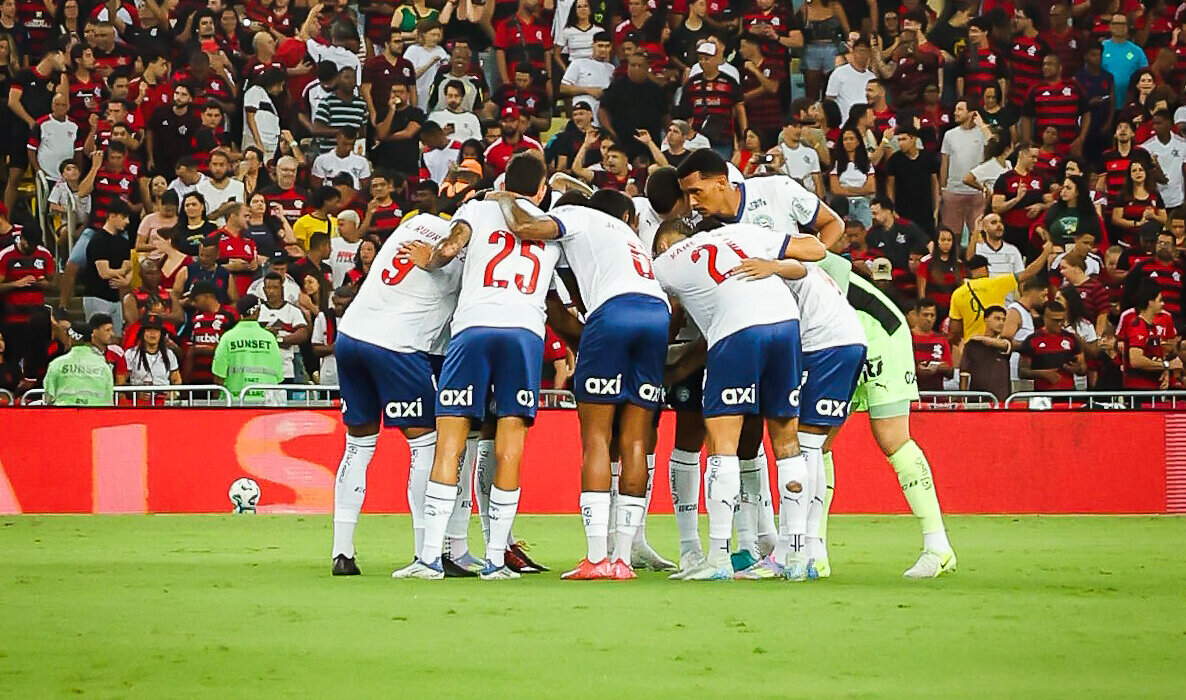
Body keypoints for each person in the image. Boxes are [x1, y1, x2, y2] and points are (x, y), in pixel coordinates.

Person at [396, 154, 562, 581]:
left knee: (450, 443)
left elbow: (449, 249)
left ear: (503, 183)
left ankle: (429, 558)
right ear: (541, 189)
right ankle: (496, 560)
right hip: (524, 333)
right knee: (510, 447)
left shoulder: (476, 209)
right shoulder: (552, 224)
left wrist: (428, 259)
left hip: (473, 329)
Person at [493, 190, 670, 581]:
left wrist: (504, 198)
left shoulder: (574, 215)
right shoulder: (621, 233)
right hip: (656, 312)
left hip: (614, 312)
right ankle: (622, 559)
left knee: (596, 439)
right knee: (635, 440)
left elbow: (524, 225)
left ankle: (596, 557)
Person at [652, 219, 810, 581]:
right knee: (787, 442)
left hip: (736, 329)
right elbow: (811, 254)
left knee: (722, 445)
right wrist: (773, 266)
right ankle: (797, 556)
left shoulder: (669, 260)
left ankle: (718, 558)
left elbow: (636, 290)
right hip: (787, 323)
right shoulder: (743, 232)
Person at [949, 246, 1053, 344]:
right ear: (984, 269)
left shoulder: (958, 293)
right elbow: (1028, 273)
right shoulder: (997, 283)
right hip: (995, 345)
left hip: (972, 346)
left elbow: (955, 330)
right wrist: (1046, 253)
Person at [0, 227, 55, 380]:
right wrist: (17, 284)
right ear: (21, 239)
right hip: (13, 318)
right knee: (14, 360)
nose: (31, 247)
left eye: (34, 244)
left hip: (37, 319)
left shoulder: (44, 254)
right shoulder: (6, 255)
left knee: (37, 361)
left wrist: (43, 284)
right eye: (28, 243)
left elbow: (54, 285)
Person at [211, 294, 284, 405]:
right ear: (257, 311)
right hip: (266, 402)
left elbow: (219, 375)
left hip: (235, 402)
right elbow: (278, 375)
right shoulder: (270, 338)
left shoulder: (228, 338)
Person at [82, 199, 133, 337]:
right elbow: (104, 273)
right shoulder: (98, 240)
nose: (127, 221)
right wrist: (123, 271)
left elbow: (130, 268)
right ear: (112, 216)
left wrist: (126, 281)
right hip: (97, 296)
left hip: (115, 298)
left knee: (116, 337)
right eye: (124, 217)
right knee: (98, 336)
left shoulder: (123, 242)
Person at [1118, 281, 1181, 390]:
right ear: (1150, 302)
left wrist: (1164, 371)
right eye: (1160, 300)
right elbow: (1136, 360)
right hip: (1138, 390)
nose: (1163, 304)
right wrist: (1167, 365)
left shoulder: (1152, 327)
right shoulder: (1138, 325)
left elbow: (1154, 356)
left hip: (1152, 388)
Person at [44, 314, 114, 406]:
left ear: (70, 338)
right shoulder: (104, 367)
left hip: (64, 413)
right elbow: (108, 400)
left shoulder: (56, 364)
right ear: (92, 339)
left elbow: (49, 397)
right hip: (95, 413)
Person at [1018, 300, 1086, 392]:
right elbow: (1022, 371)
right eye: (1055, 320)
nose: (1059, 324)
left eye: (1062, 320)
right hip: (1043, 394)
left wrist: (1077, 368)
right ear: (1045, 319)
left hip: (1068, 393)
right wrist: (1043, 374)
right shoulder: (1032, 340)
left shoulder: (1071, 338)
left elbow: (1083, 368)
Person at [1122, 231, 1184, 325]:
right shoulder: (1142, 266)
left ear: (1174, 248)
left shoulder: (1182, 269)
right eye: (1160, 243)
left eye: (1167, 244)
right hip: (1146, 322)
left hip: (1175, 322)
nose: (1163, 246)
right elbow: (1128, 292)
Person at [257, 272, 309, 383]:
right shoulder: (258, 311)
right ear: (264, 289)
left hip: (285, 369)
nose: (271, 291)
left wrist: (281, 340)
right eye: (268, 288)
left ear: (282, 288)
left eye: (275, 288)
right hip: (261, 369)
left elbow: (303, 333)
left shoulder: (293, 310)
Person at [959, 304, 1013, 401]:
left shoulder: (1005, 343)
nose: (1001, 323)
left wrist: (980, 338)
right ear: (986, 319)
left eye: (1003, 320)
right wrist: (963, 399)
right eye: (997, 318)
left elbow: (1005, 345)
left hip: (1001, 400)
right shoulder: (972, 345)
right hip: (977, 399)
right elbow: (964, 373)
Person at [866, 196, 930, 272]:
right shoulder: (872, 233)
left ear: (887, 211)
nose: (873, 217)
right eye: (872, 214)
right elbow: (870, 255)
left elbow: (928, 243)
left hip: (908, 270)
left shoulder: (907, 226)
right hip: (885, 272)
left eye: (875, 213)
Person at [1140, 109, 1186, 213]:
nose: (1155, 127)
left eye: (1159, 123)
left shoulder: (1183, 145)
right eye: (1154, 124)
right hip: (1157, 202)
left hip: (1179, 200)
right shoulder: (1146, 147)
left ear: (1169, 124)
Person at [119, 314, 181, 391]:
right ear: (143, 333)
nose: (152, 333)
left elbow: (176, 380)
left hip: (163, 396)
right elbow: (121, 380)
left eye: (156, 330)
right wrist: (135, 393)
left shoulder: (169, 354)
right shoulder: (131, 354)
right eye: (149, 330)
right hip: (139, 397)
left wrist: (172, 393)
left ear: (161, 334)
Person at [911, 298, 953, 392]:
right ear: (917, 315)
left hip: (936, 393)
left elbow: (950, 371)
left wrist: (943, 368)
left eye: (932, 315)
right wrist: (917, 369)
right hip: (913, 392)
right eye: (925, 315)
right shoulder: (907, 338)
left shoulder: (941, 340)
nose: (929, 319)